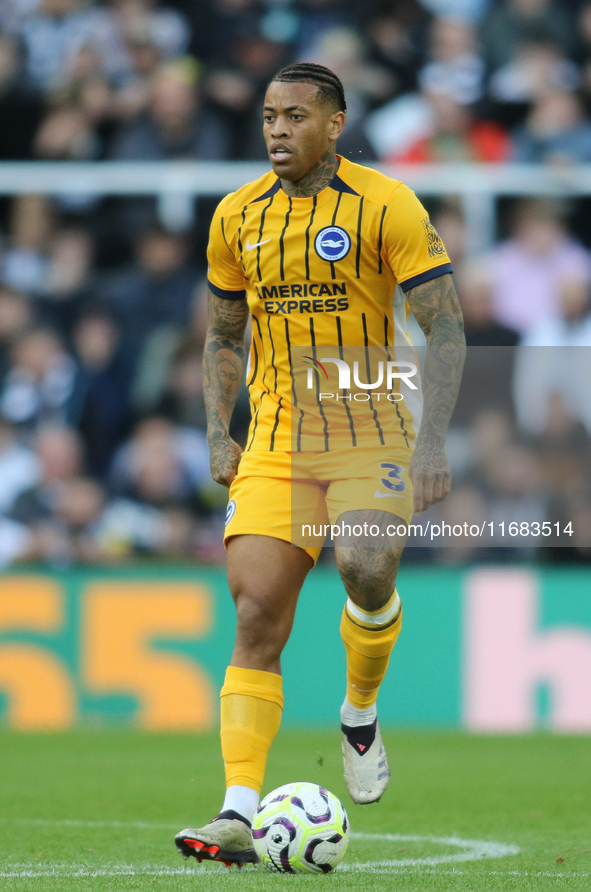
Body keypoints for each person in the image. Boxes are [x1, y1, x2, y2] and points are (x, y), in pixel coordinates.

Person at [175, 62, 465, 867]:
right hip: (274, 440)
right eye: (268, 114)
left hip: (371, 428)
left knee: (367, 570)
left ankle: (359, 709)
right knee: (257, 615)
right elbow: (223, 333)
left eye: (295, 115)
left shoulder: (386, 204)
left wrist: (432, 439)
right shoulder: (236, 216)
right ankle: (236, 811)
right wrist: (215, 432)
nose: (276, 129)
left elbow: (444, 326)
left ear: (334, 124)